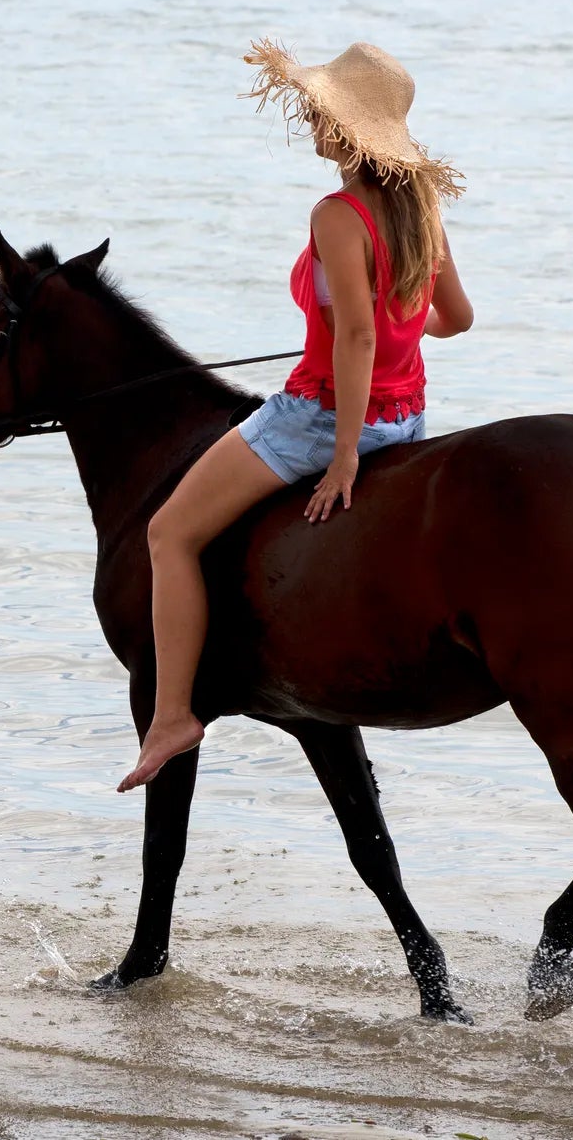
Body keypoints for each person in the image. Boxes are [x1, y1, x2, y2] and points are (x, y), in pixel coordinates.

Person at [117, 40, 476, 793]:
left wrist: (343, 454)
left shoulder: (339, 214)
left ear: (350, 130)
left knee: (167, 532)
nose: (312, 114)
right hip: (406, 418)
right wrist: (398, 330)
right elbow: (456, 317)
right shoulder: (419, 207)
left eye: (323, 107)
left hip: (319, 417)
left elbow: (355, 334)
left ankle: (174, 713)